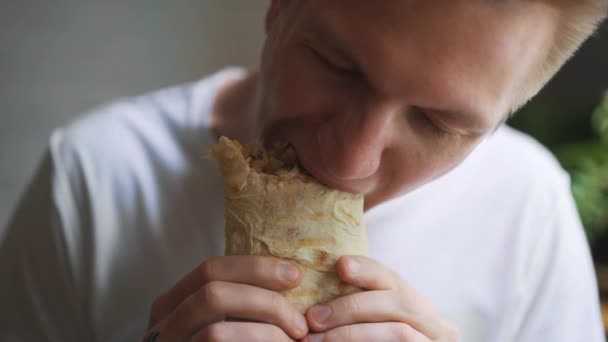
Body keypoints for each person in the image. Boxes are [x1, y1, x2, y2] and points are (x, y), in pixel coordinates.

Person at [2, 1, 607, 341]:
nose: (350, 163)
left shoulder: (528, 204)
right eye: (338, 65)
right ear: (277, 9)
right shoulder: (92, 178)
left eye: (437, 124)